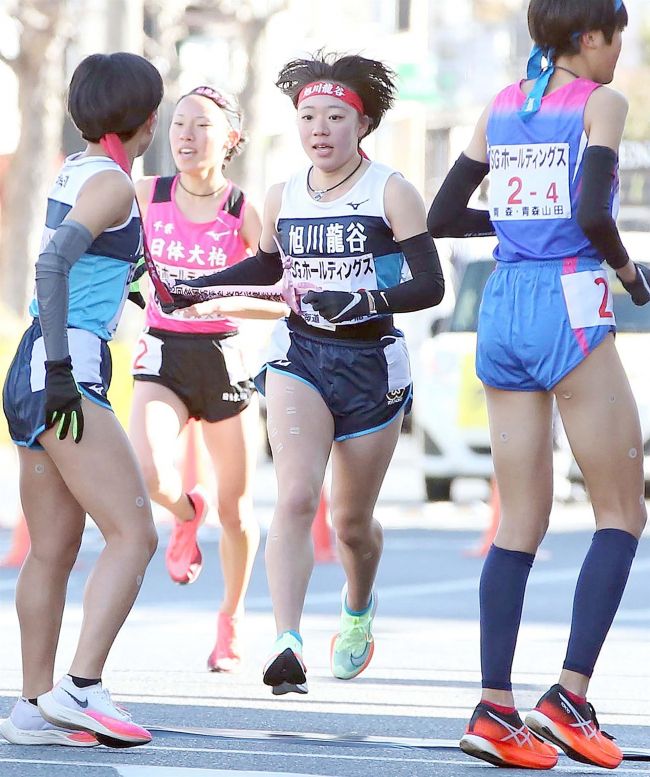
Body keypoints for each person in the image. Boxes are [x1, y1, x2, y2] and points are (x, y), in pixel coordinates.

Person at [168, 51, 445, 695]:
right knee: (294, 495)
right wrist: (196, 288)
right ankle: (286, 640)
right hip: (301, 356)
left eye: (335, 117)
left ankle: (356, 606)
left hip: (372, 364)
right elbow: (265, 268)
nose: (319, 129)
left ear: (363, 123)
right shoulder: (283, 193)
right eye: (307, 116)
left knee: (350, 524)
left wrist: (363, 300)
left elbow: (430, 284)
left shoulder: (392, 190)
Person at [428, 0, 645, 769]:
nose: (623, 50)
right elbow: (592, 210)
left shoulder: (500, 105)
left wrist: (517, 228)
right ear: (591, 37)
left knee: (518, 521)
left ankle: (495, 708)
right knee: (623, 509)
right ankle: (570, 696)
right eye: (620, 36)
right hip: (572, 299)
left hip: (505, 303)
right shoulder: (602, 102)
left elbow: (445, 211)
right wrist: (629, 273)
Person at [0, 52, 163, 748]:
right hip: (64, 367)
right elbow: (53, 263)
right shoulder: (115, 185)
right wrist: (66, 370)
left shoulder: (77, 168)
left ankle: (34, 706)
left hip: (34, 364)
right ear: (147, 119)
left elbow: (94, 272)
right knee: (136, 533)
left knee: (54, 549)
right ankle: (83, 685)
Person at [129, 85, 283, 672]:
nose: (186, 136)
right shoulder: (147, 195)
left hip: (223, 358)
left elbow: (280, 297)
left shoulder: (244, 210)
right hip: (163, 354)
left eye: (201, 126)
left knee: (239, 510)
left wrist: (223, 301)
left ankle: (232, 619)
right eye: (178, 125)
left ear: (230, 140)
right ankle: (187, 514)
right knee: (148, 471)